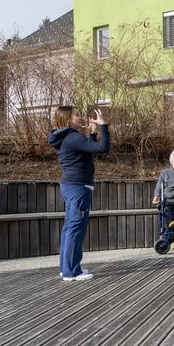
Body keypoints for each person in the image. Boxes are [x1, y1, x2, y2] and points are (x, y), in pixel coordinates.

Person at [48, 106, 110, 281]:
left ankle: (66, 268)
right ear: (68, 119)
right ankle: (72, 272)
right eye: (77, 115)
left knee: (70, 228)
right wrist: (103, 126)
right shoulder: (72, 137)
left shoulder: (67, 137)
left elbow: (88, 152)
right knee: (76, 228)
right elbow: (103, 148)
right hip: (77, 188)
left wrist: (92, 133)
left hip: (71, 186)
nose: (81, 117)